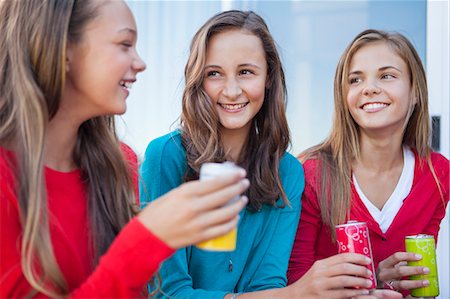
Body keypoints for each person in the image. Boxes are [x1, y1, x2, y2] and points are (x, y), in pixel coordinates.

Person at [141, 11, 401, 299]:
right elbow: (166, 292)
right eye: (213, 73)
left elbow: (267, 285)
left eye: (245, 72)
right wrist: (299, 293)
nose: (231, 90)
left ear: (268, 77)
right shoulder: (166, 157)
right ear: (198, 80)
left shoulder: (287, 172)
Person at [0, 1, 249, 297]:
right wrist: (146, 239)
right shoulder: (6, 178)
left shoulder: (118, 165)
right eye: (124, 44)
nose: (140, 62)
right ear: (63, 47)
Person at [287, 29, 449, 297]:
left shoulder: (437, 173)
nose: (370, 88)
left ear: (415, 91)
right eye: (355, 80)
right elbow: (295, 283)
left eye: (386, 76)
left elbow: (422, 286)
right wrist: (371, 281)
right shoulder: (312, 173)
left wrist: (393, 284)